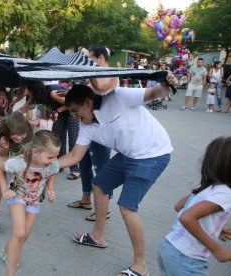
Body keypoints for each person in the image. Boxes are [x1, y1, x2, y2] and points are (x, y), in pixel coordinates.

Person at [58, 74, 176, 276]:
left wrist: (167, 85)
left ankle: (141, 266)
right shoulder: (86, 126)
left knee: (127, 207)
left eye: (76, 111)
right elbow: (74, 156)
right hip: (128, 154)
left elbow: (153, 93)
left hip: (153, 154)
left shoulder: (118, 96)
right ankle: (98, 236)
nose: (75, 117)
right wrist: (45, 166)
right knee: (100, 185)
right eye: (72, 114)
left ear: (88, 102)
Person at [157, 136, 231, 276]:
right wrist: (217, 249)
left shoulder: (206, 186)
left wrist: (214, 229)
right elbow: (187, 217)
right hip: (187, 259)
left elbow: (180, 206)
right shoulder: (226, 193)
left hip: (168, 248)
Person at [0, 130, 60, 275]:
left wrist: (51, 188)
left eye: (56, 156)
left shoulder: (52, 164)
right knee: (19, 231)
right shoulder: (19, 163)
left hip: (34, 201)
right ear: (35, 152)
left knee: (23, 236)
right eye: (50, 157)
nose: (54, 160)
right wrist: (5, 189)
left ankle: (6, 251)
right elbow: (0, 169)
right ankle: (10, 273)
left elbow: (52, 173)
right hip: (17, 195)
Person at [67, 46, 111, 221]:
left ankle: (104, 209)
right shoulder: (97, 74)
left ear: (100, 58)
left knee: (101, 168)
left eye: (90, 59)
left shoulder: (109, 74)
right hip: (88, 125)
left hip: (100, 130)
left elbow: (99, 88)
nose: (87, 63)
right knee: (84, 163)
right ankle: (86, 199)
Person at [0, 112, 33, 234]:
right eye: (14, 134)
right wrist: (5, 147)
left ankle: (18, 203)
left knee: (23, 173)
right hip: (3, 147)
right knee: (0, 173)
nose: (18, 137)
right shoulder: (1, 132)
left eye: (21, 134)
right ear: (8, 131)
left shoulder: (28, 130)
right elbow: (1, 153)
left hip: (19, 148)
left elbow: (27, 150)